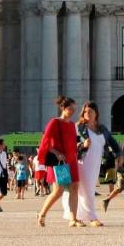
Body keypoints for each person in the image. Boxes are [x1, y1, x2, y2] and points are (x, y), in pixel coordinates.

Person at [67, 103, 121, 227]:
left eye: (90, 111)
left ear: (96, 113)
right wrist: (82, 145)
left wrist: (120, 154)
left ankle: (77, 218)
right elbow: (70, 144)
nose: (88, 114)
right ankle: (92, 217)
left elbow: (113, 142)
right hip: (82, 161)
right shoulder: (79, 127)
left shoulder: (102, 128)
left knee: (86, 189)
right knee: (87, 190)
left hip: (95, 163)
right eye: (85, 111)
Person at [36, 96, 81, 228]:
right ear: (62, 108)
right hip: (59, 162)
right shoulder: (54, 122)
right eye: (70, 109)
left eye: (74, 109)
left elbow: (72, 143)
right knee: (59, 190)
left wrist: (80, 146)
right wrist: (56, 153)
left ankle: (73, 219)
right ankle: (42, 214)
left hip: (72, 160)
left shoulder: (72, 125)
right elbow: (44, 141)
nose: (72, 111)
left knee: (74, 188)